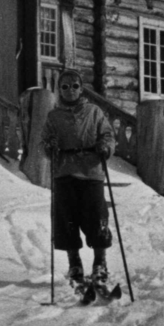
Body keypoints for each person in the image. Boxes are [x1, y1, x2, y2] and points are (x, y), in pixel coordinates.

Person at [41, 68, 116, 287]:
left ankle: (100, 263)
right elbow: (44, 142)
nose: (70, 90)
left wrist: (105, 147)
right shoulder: (53, 117)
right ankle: (74, 263)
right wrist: (50, 147)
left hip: (91, 172)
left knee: (96, 217)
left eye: (75, 86)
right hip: (64, 172)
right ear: (59, 90)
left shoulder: (94, 112)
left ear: (81, 89)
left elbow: (108, 135)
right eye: (65, 86)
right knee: (67, 219)